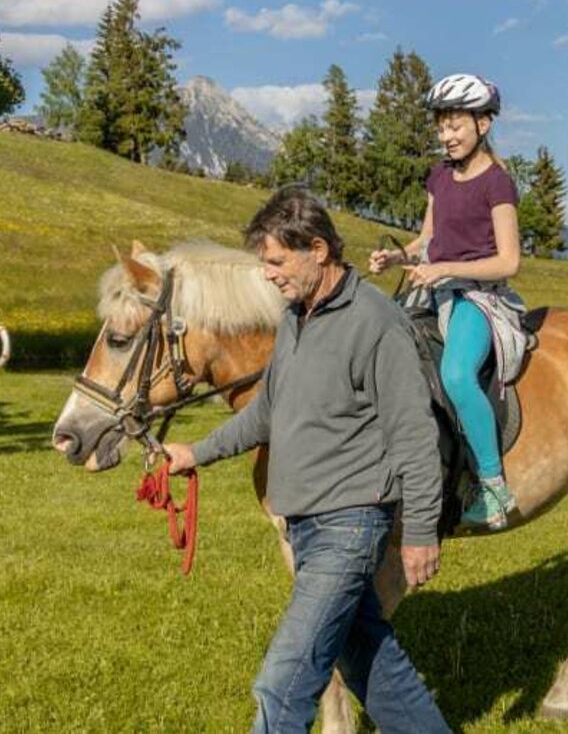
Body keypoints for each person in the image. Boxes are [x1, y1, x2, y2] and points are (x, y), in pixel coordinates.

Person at [164, 187, 449, 734]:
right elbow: (267, 410)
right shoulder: (296, 316)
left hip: (352, 522)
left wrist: (419, 531)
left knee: (284, 679)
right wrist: (195, 452)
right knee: (376, 668)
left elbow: (413, 433)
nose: (267, 275)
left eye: (275, 261)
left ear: (317, 250)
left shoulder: (377, 323)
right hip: (305, 523)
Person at [370, 73, 523, 531]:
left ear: (484, 124)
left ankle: (494, 487)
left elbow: (509, 261)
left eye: (455, 125)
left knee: (456, 374)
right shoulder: (439, 176)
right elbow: (429, 237)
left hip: (479, 298)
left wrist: (446, 270)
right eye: (441, 126)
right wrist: (399, 255)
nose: (446, 136)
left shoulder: (497, 184)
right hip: (432, 291)